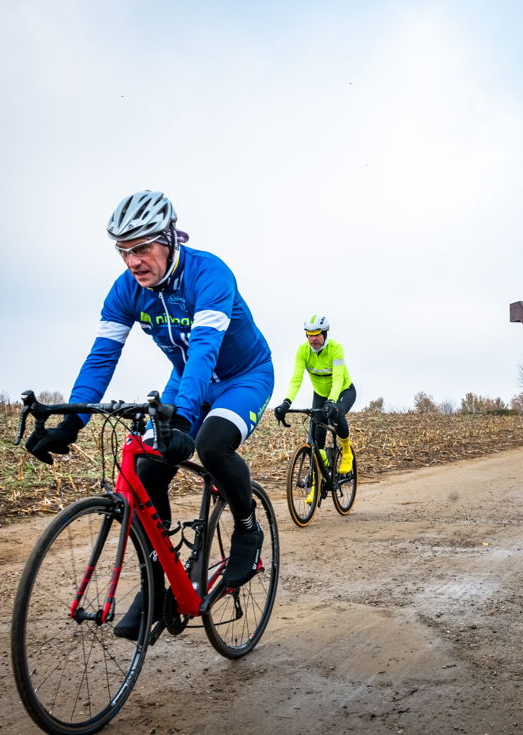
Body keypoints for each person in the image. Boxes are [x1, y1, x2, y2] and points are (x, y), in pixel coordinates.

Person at [24, 190, 274, 637]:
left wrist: (182, 420)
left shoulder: (209, 273)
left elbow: (203, 350)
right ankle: (159, 583)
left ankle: (248, 527)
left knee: (212, 444)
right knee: (146, 471)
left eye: (141, 248)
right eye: (123, 251)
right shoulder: (125, 291)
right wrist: (72, 421)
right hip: (186, 377)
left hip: (242, 376)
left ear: (171, 239)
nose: (132, 261)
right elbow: (102, 356)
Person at [273, 315, 357, 501]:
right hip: (320, 395)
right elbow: (296, 379)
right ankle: (318, 481)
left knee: (337, 415)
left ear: (325, 334)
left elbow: (337, 379)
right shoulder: (303, 351)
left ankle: (347, 452)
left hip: (343, 391)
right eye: (309, 335)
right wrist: (286, 402)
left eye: (317, 334)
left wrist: (332, 402)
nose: (313, 338)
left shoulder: (335, 349)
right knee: (315, 441)